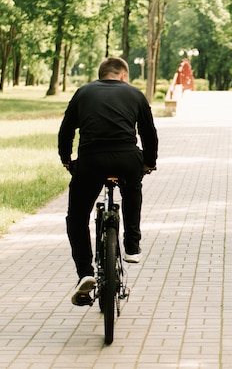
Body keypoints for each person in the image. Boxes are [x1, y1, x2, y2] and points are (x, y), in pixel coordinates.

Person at [58, 57, 158, 306]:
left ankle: (85, 272)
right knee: (132, 189)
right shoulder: (135, 94)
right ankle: (132, 246)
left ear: (100, 74)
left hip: (91, 161)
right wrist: (150, 162)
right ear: (123, 75)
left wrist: (66, 159)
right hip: (127, 159)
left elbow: (66, 130)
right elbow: (148, 133)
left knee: (77, 217)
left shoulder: (83, 93)